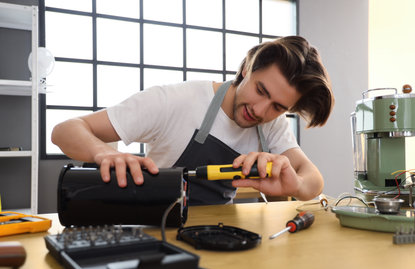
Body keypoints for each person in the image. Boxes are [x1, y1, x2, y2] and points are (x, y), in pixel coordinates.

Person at [52, 35, 334, 205]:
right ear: (247, 68)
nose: (261, 111)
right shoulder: (175, 101)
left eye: (278, 106)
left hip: (221, 232)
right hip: (158, 227)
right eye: (260, 90)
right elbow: (65, 130)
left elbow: (314, 180)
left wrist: (294, 185)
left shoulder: (271, 123)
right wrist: (103, 152)